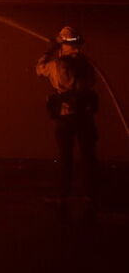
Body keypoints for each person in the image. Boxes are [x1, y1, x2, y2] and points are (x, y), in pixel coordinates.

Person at [36, 26, 98, 220]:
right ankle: (90, 197)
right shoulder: (86, 64)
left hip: (66, 117)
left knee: (66, 158)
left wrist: (49, 50)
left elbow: (39, 69)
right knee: (88, 157)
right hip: (85, 117)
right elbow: (91, 83)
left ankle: (62, 197)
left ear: (62, 44)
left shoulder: (56, 64)